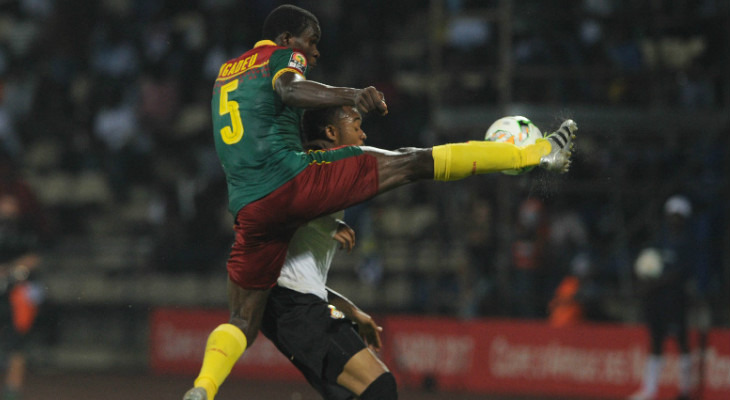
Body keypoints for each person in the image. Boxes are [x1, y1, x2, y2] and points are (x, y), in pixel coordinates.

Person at [184, 4, 577, 400]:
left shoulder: (225, 74)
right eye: (312, 42)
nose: (314, 53)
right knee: (411, 162)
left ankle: (204, 387)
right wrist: (352, 93)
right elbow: (289, 88)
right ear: (287, 39)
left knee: (242, 319)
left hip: (248, 206)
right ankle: (535, 153)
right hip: (290, 179)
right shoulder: (281, 55)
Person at [260, 105, 394, 399]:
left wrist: (352, 311)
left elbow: (303, 277)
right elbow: (269, 208)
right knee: (380, 387)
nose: (364, 134)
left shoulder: (328, 177)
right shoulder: (305, 168)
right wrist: (328, 226)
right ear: (332, 133)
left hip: (290, 304)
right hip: (292, 307)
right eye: (356, 126)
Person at [628, 195, 696, 400]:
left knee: (681, 341)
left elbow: (680, 273)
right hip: (656, 300)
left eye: (678, 216)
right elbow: (647, 265)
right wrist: (645, 280)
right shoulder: (659, 240)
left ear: (684, 218)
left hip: (675, 300)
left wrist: (653, 283)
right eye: (671, 215)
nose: (674, 220)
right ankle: (650, 390)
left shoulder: (687, 243)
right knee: (656, 341)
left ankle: (686, 390)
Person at [0, 193, 44, 400]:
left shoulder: (25, 231)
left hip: (17, 293)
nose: (7, 208)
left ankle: (12, 390)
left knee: (17, 341)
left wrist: (9, 269)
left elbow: (34, 258)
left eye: (11, 204)